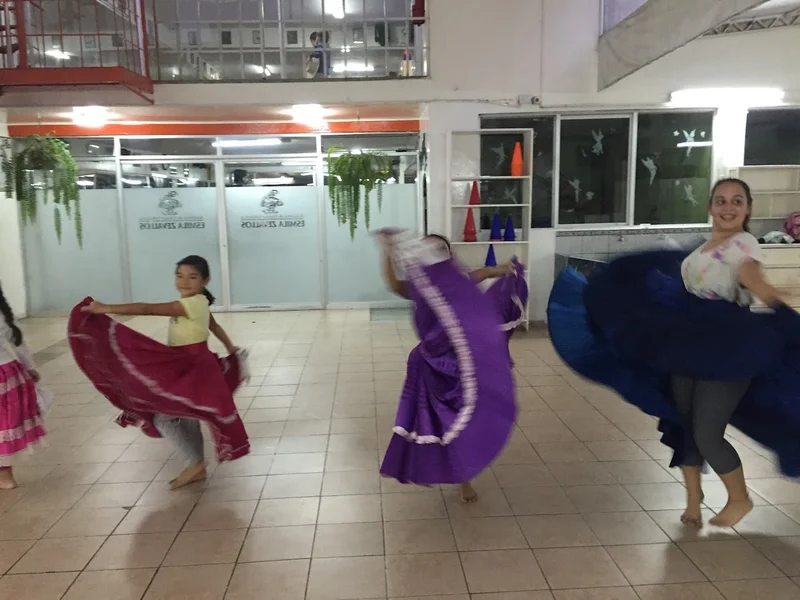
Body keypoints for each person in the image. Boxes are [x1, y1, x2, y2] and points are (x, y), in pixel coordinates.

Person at [548, 178, 798, 529]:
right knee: (684, 422)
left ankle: (739, 497)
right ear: (710, 206)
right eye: (721, 200)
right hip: (686, 344)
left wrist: (778, 303)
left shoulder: (744, 245)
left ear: (747, 209)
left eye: (736, 201)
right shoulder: (704, 248)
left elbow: (752, 278)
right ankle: (693, 499)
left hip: (728, 349)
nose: (728, 207)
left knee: (706, 432)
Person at [71, 255, 249, 489]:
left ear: (205, 280)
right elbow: (213, 325)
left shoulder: (191, 304)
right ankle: (195, 464)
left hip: (192, 366)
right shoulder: (198, 302)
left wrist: (106, 308)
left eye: (192, 277)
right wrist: (230, 347)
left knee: (163, 416)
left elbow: (147, 308)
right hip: (185, 364)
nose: (184, 281)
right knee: (185, 412)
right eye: (180, 275)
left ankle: (194, 463)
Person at [379, 230, 521, 503]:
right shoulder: (419, 287)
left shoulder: (461, 284)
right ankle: (436, 468)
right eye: (428, 250)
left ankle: (463, 478)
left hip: (459, 366)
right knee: (433, 423)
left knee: (459, 421)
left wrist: (505, 269)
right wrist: (388, 250)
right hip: (427, 366)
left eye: (439, 250)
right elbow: (394, 284)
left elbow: (486, 273)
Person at [0, 284, 46, 490]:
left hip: (5, 375)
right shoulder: (3, 313)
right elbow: (18, 342)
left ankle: (4, 476)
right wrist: (30, 368)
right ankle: (5, 475)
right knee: (4, 425)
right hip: (7, 372)